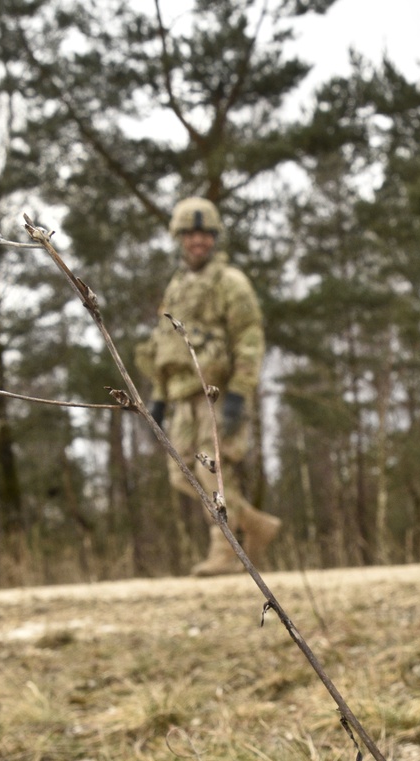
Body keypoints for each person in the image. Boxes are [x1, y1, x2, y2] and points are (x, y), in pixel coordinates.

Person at [137, 197, 282, 576]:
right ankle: (253, 524)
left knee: (210, 470)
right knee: (179, 473)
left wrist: (239, 392)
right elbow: (163, 343)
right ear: (179, 238)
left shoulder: (230, 282)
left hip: (214, 391)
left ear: (214, 238)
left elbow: (249, 337)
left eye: (204, 234)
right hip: (180, 394)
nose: (197, 242)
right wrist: (158, 397)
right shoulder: (178, 287)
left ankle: (226, 549)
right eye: (190, 234)